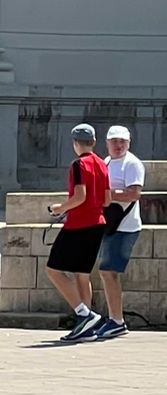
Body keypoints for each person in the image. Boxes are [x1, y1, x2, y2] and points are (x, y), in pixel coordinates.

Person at [46, 125, 111, 343]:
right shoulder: (102, 164)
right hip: (98, 223)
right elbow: (107, 199)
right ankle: (86, 328)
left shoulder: (78, 164)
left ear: (75, 143)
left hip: (79, 225)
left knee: (53, 270)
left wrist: (60, 208)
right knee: (82, 274)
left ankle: (84, 314)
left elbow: (80, 196)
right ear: (93, 141)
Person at [92, 125, 145, 341]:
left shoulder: (131, 163)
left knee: (108, 271)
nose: (118, 145)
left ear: (129, 143)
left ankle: (117, 320)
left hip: (125, 226)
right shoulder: (106, 162)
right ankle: (114, 318)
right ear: (107, 143)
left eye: (122, 141)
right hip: (110, 224)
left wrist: (106, 195)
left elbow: (134, 194)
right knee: (106, 272)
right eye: (114, 141)